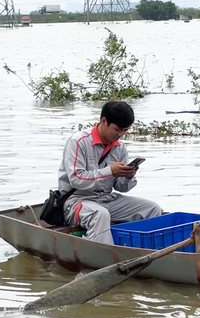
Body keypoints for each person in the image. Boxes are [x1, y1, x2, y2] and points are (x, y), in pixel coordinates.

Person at [58, 101, 162, 244]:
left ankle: (147, 250)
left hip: (106, 199)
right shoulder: (78, 142)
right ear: (104, 121)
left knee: (152, 208)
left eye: (125, 130)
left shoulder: (120, 148)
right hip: (75, 202)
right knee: (100, 215)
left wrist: (128, 176)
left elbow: (121, 187)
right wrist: (110, 171)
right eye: (117, 129)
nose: (120, 134)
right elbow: (76, 179)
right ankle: (101, 258)